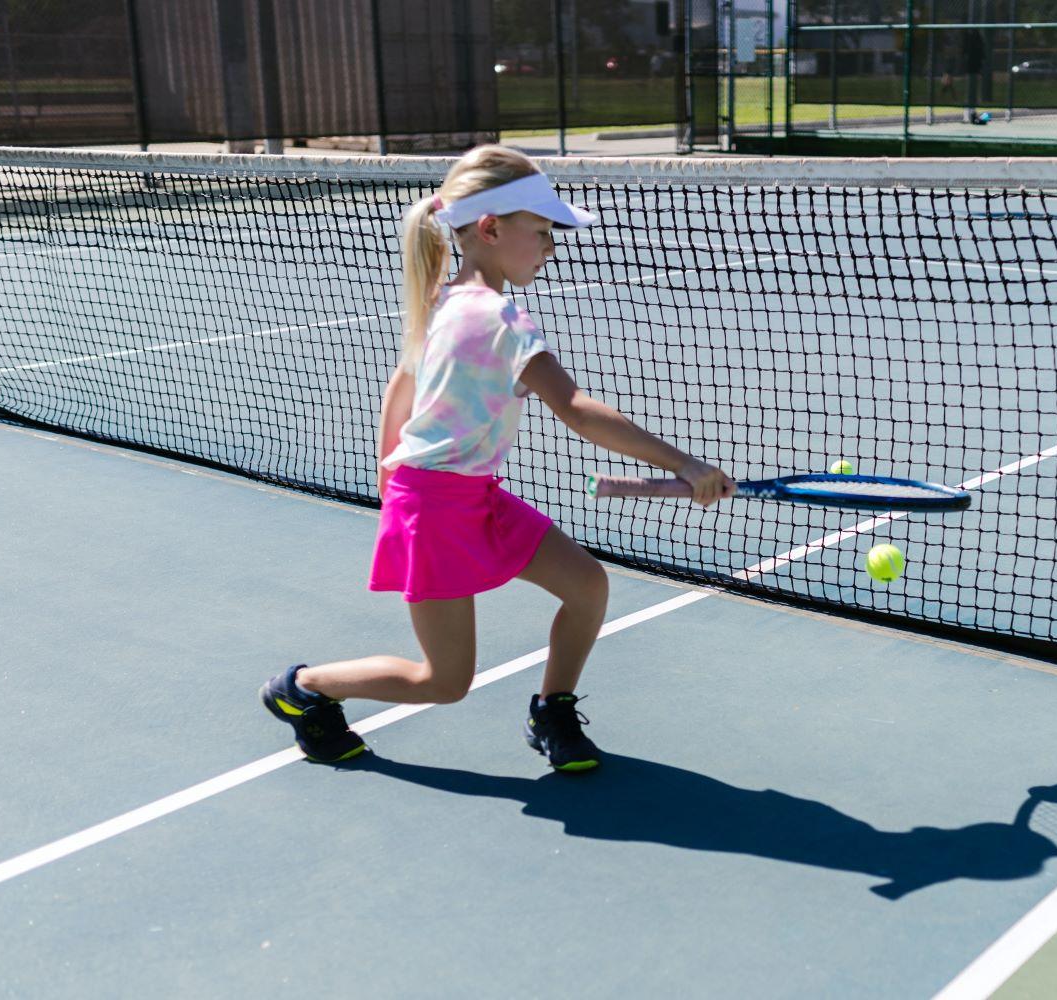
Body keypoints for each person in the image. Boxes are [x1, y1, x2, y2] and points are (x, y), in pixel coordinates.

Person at [261, 146, 733, 770]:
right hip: (435, 506)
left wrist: (389, 474)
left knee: (587, 585)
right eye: (540, 232)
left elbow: (399, 391)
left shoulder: (442, 303)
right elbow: (575, 408)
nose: (550, 247)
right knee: (444, 682)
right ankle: (304, 689)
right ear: (490, 229)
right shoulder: (499, 316)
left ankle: (553, 712)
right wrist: (688, 465)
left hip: (461, 494)